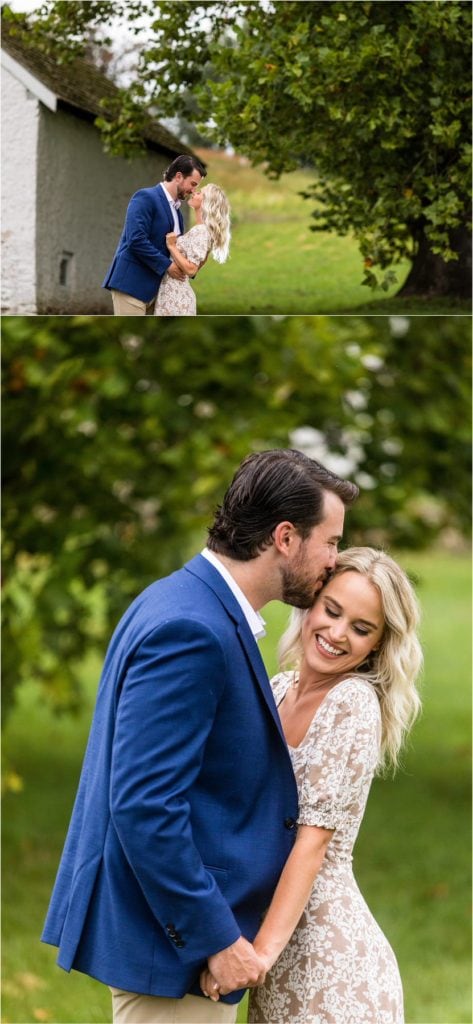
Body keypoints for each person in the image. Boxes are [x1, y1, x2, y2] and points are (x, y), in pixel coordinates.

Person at [41, 449, 359, 1024]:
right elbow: (145, 805)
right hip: (171, 953)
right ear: (286, 537)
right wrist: (218, 938)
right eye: (331, 542)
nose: (334, 561)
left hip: (168, 943)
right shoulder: (194, 629)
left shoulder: (182, 599)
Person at [202, 546, 422, 1024]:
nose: (337, 634)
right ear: (310, 604)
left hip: (330, 965)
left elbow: (312, 843)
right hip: (278, 951)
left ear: (377, 645)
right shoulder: (278, 689)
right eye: (332, 610)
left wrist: (257, 957)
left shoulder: (352, 704)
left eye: (361, 628)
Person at [102, 154, 207, 315]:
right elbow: (136, 239)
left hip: (158, 293)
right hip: (132, 285)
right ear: (178, 176)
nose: (193, 190)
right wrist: (167, 265)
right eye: (193, 184)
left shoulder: (178, 214)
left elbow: (176, 250)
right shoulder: (145, 197)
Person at [155, 183, 231, 316]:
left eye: (200, 192)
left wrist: (172, 246)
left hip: (176, 297)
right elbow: (198, 264)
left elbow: (191, 270)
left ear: (206, 203)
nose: (194, 192)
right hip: (173, 292)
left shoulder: (200, 231)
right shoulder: (204, 231)